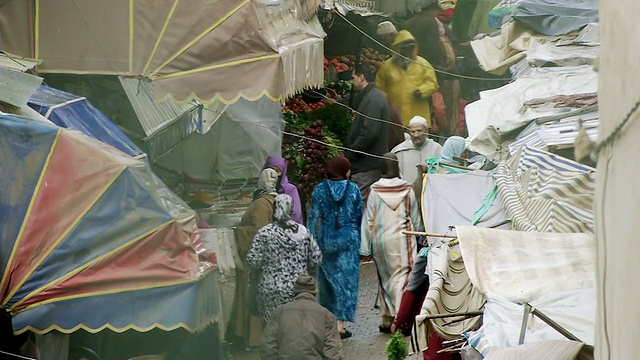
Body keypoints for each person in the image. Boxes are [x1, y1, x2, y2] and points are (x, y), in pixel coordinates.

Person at [360, 153, 424, 333]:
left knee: (386, 280)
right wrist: (420, 236)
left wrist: (365, 248)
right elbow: (415, 217)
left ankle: (387, 318)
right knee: (404, 278)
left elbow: (369, 220)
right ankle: (401, 319)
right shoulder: (407, 189)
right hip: (404, 239)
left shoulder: (374, 190)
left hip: (381, 241)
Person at [307, 156, 364, 339]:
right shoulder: (354, 189)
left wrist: (312, 242)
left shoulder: (319, 190)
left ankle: (329, 322)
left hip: (327, 239)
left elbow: (313, 218)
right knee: (346, 282)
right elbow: (359, 215)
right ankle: (340, 324)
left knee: (328, 281)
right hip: (349, 239)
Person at [246, 194, 323, 325]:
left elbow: (253, 261)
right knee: (294, 328)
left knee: (272, 329)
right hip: (298, 289)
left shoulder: (265, 233)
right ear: (292, 210)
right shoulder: (303, 232)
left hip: (269, 290)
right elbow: (316, 258)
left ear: (274, 208)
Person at [232, 168, 279, 349]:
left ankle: (255, 339)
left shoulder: (261, 204)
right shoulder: (275, 201)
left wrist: (238, 231)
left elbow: (258, 232)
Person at [261, 274, 343, 360]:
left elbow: (268, 347)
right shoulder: (327, 315)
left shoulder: (279, 312)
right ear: (316, 291)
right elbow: (333, 351)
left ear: (294, 291)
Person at [376, 30, 439, 129]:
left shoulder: (423, 63)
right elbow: (379, 87)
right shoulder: (387, 66)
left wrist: (422, 91)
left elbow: (433, 83)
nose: (408, 52)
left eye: (411, 48)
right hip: (395, 114)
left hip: (418, 114)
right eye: (405, 49)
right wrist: (386, 102)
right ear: (397, 49)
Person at [346, 64, 391, 201]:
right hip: (366, 164)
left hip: (367, 165)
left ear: (361, 77)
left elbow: (370, 131)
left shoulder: (373, 99)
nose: (351, 82)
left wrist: (353, 151)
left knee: (361, 205)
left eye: (353, 78)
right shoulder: (370, 97)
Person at [391, 116, 443, 185]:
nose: (416, 135)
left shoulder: (436, 148)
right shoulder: (400, 151)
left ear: (427, 131)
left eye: (419, 131)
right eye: (413, 131)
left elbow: (442, 172)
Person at [263, 156, 304, 224]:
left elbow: (296, 213)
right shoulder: (261, 189)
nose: (274, 174)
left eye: (277, 171)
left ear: (283, 172)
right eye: (271, 170)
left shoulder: (290, 189)